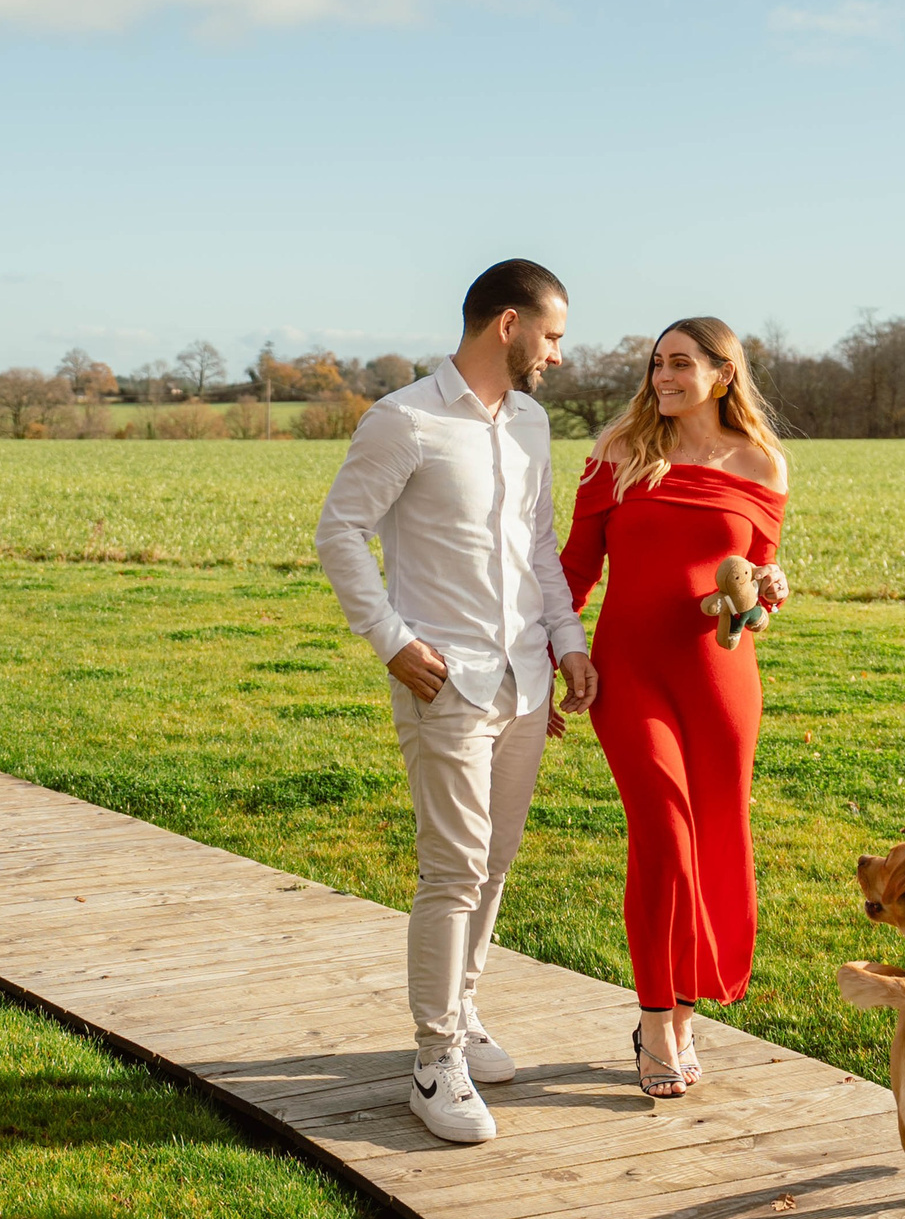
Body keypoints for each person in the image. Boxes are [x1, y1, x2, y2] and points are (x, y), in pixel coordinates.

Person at [314, 259, 597, 1144]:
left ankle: (465, 1018)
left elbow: (539, 547)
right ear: (507, 325)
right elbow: (340, 533)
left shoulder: (533, 423)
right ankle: (435, 1061)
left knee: (497, 863)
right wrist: (394, 642)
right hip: (446, 682)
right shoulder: (404, 421)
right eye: (551, 336)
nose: (557, 354)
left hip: (524, 679)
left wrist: (570, 642)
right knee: (454, 870)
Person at [560, 318, 789, 1099]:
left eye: (681, 363)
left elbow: (753, 586)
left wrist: (769, 592)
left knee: (717, 835)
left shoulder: (763, 462)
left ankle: (687, 1012)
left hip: (721, 678)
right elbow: (576, 567)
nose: (664, 376)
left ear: (724, 376)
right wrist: (560, 651)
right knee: (662, 830)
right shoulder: (619, 449)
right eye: (658, 363)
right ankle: (655, 1017)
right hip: (630, 672)